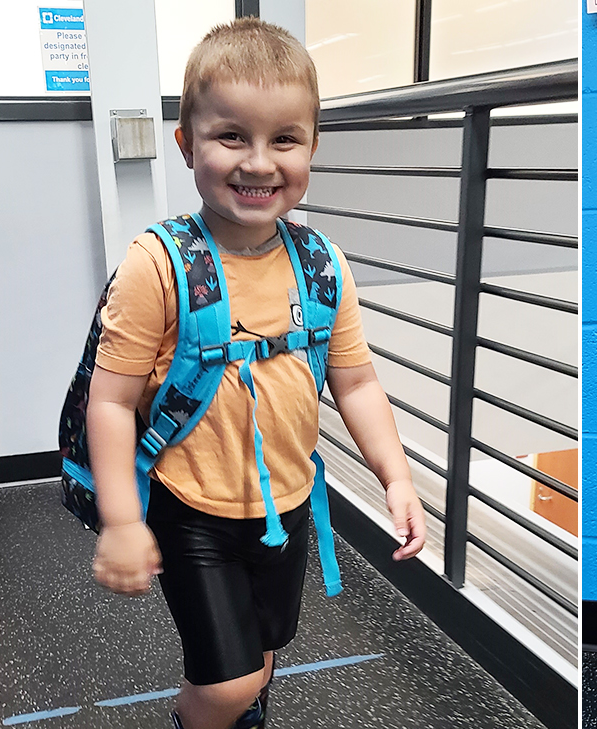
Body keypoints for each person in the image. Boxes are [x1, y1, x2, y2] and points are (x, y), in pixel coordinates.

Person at [84, 18, 426, 729]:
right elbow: (112, 400)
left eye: (284, 139)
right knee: (228, 681)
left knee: (264, 653)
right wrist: (120, 518)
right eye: (231, 135)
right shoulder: (160, 265)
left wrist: (396, 475)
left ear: (312, 147)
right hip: (190, 506)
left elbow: (355, 381)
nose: (259, 162)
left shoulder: (321, 263)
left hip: (286, 505)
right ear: (186, 145)